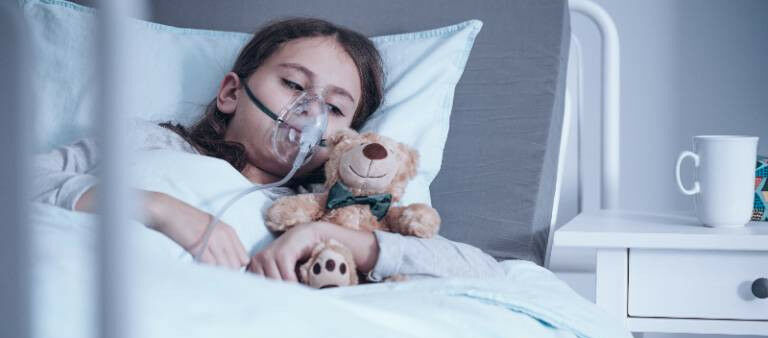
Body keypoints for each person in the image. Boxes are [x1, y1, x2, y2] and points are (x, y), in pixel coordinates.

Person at [32, 18, 505, 282]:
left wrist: (347, 244)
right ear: (231, 93)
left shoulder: (310, 217)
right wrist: (158, 208)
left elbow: (484, 275)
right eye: (294, 84)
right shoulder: (148, 142)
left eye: (336, 108)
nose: (310, 112)